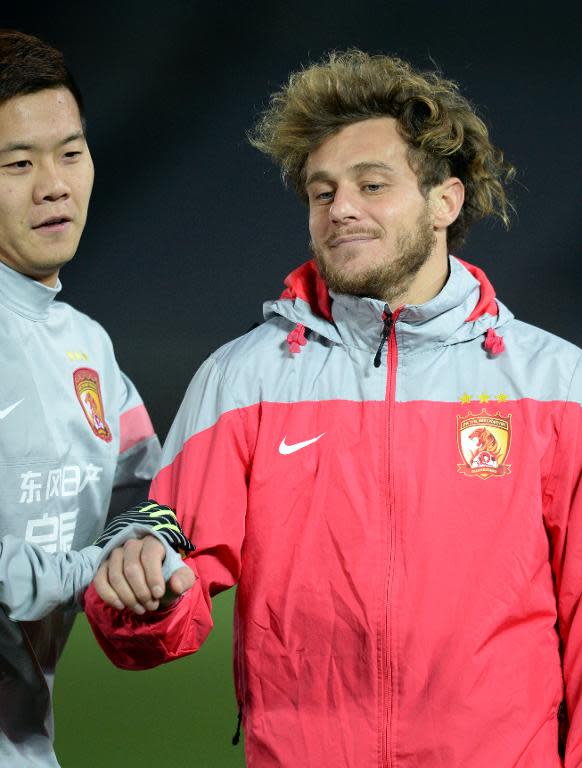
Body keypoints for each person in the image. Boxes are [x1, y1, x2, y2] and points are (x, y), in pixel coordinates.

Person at [85, 50, 582, 767]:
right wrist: (142, 593)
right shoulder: (244, 379)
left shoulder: (555, 385)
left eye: (371, 184)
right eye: (322, 192)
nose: (340, 207)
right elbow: (161, 569)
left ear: (445, 200)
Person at [0, 29, 175, 767]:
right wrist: (94, 567)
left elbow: (146, 489)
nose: (54, 185)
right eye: (17, 163)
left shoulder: (84, 346)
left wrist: (145, 545)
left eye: (70, 153)